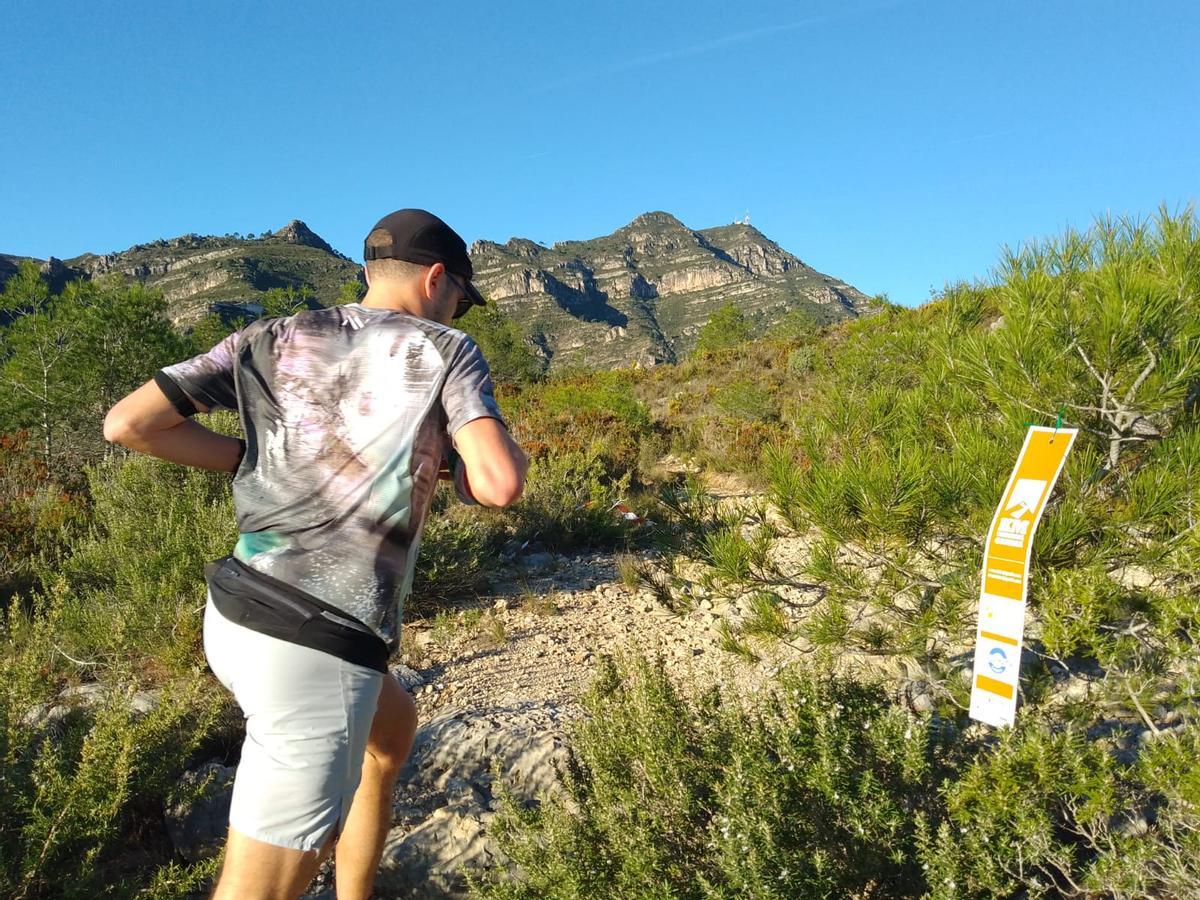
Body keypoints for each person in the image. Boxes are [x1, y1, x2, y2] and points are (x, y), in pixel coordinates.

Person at [103, 208, 529, 900]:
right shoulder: (444, 350)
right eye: (458, 298)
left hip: (239, 610)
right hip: (318, 644)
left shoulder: (268, 336)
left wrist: (252, 458)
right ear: (435, 279)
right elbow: (499, 484)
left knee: (390, 734)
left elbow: (128, 424)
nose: (457, 312)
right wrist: (486, 458)